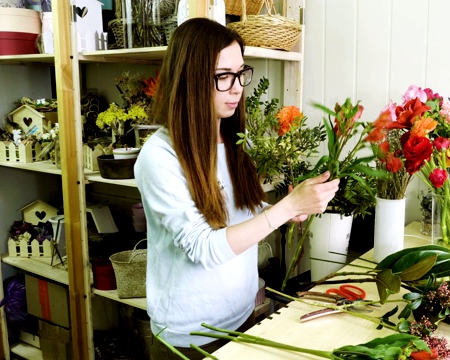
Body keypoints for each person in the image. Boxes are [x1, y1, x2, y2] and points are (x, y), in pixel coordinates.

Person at [134, 18, 339, 359]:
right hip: (191, 337)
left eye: (240, 73)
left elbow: (234, 216)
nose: (236, 88)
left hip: (241, 317)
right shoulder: (160, 156)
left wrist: (287, 208)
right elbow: (204, 248)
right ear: (191, 79)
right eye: (222, 76)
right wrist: (282, 210)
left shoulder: (231, 140)